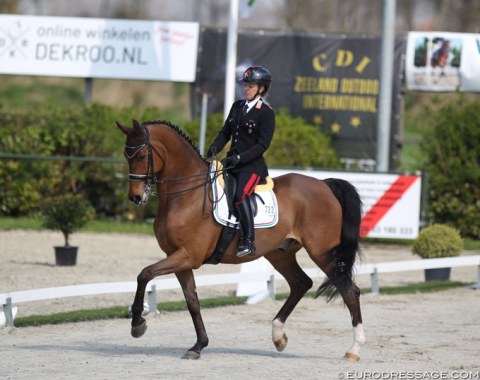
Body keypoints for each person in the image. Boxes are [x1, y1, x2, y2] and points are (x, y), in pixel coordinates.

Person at [206, 66, 275, 257]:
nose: (247, 88)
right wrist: (212, 149)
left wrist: (240, 158)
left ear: (261, 88)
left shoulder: (266, 113)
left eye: (251, 85)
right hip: (231, 163)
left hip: (251, 167)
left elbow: (262, 145)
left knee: (240, 195)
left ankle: (248, 241)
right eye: (245, 85)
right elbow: (225, 133)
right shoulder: (237, 106)